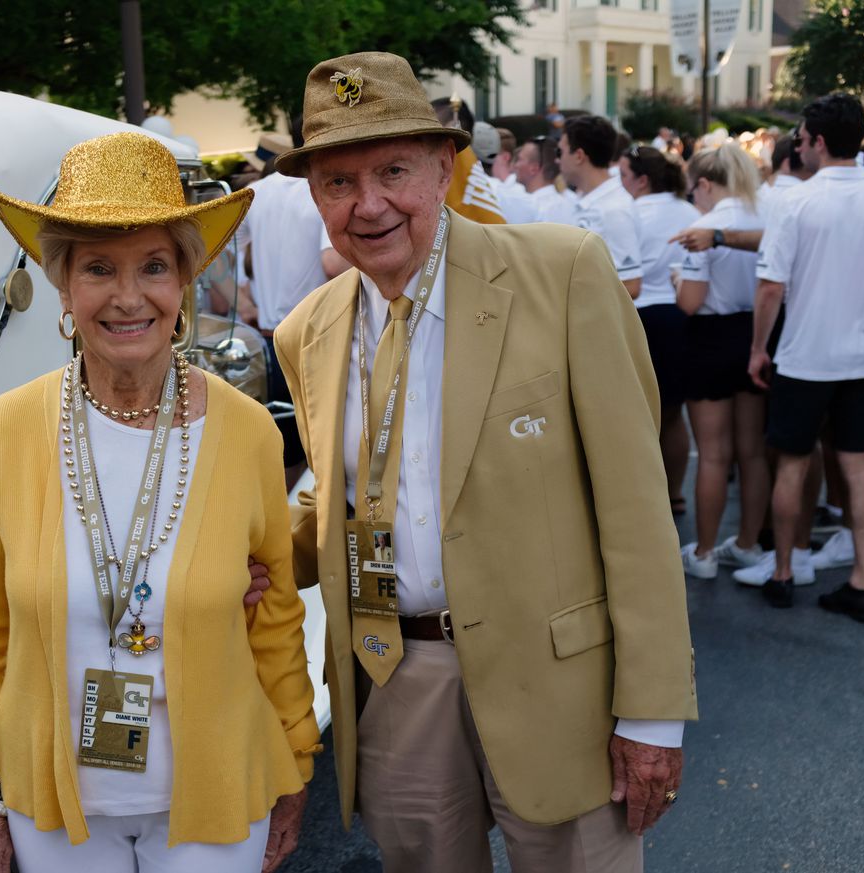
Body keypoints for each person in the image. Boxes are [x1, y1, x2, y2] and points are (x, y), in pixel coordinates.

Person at [272, 51, 697, 873]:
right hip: (396, 679)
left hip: (560, 685)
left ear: (444, 165)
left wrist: (651, 714)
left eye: (393, 169)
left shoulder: (562, 272)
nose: (369, 205)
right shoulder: (308, 331)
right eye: (338, 182)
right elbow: (341, 498)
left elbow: (637, 506)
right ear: (315, 196)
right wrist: (234, 549)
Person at [0, 131, 321, 872]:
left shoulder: (244, 430)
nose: (127, 295)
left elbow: (275, 618)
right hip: (52, 807)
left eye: (154, 265)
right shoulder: (6, 431)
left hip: (215, 798)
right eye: (97, 268)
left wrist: (297, 757)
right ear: (61, 285)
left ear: (184, 281)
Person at [748, 93, 864, 622]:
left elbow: (770, 288)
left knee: (792, 462)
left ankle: (784, 572)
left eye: (803, 138)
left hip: (806, 355)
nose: (799, 146)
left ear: (820, 143)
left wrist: (759, 350)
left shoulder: (795, 202)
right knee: (855, 465)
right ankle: (863, 581)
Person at [675, 144, 770, 579]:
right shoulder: (761, 220)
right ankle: (748, 543)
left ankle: (705, 552)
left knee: (713, 454)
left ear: (706, 184)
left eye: (694, 188)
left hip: (711, 339)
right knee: (751, 451)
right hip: (754, 333)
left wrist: (679, 280)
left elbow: (691, 303)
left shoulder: (706, 226)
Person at [619, 147, 700, 518]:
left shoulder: (632, 212)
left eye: (623, 176)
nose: (620, 184)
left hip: (643, 315)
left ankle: (647, 498)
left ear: (642, 180)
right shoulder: (689, 210)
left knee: (641, 416)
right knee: (673, 414)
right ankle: (675, 493)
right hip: (682, 311)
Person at [241, 131, 326, 473]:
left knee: (283, 449)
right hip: (316, 336)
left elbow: (220, 255)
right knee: (314, 448)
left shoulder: (257, 192)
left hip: (268, 335)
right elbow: (333, 262)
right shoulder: (320, 189)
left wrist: (245, 302)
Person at [559, 115, 643, 298]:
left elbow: (630, 285)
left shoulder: (613, 209)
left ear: (579, 156)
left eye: (562, 152)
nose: (559, 160)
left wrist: (565, 293)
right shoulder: (586, 198)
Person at [516, 137, 578, 224]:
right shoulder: (573, 202)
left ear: (533, 168)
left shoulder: (530, 209)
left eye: (519, 159)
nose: (516, 165)